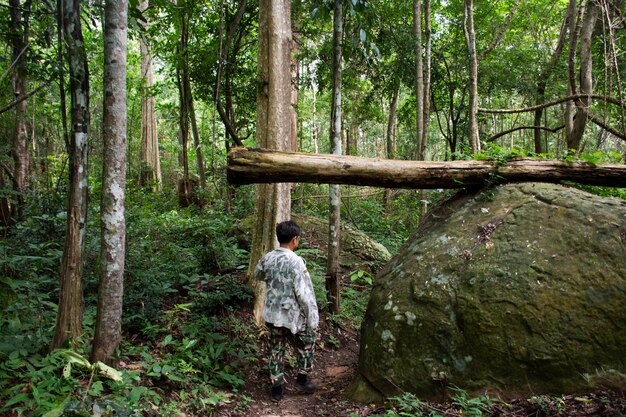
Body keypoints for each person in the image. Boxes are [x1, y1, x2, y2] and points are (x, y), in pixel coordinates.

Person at [253, 220, 319, 402]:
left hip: (273, 314)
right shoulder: (296, 262)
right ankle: (302, 379)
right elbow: (304, 294)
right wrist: (312, 318)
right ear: (295, 239)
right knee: (307, 343)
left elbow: (257, 274)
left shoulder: (268, 257)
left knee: (276, 348)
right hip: (292, 316)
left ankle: (277, 390)